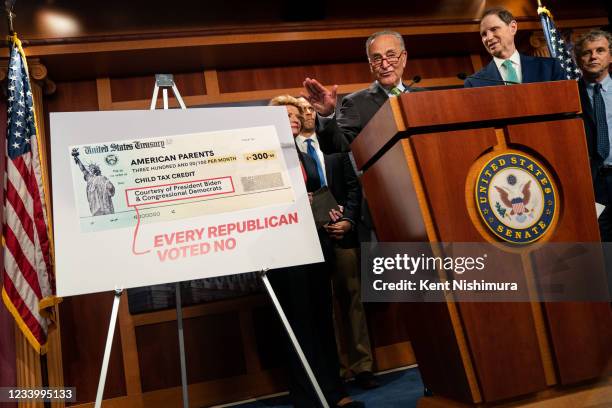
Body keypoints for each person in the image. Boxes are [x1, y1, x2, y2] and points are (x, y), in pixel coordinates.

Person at [267, 95, 365, 408]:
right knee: (299, 324)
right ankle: (308, 397)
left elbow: (318, 197)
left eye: (296, 115)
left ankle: (334, 392)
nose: (294, 118)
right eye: (286, 114)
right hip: (284, 251)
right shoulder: (260, 156)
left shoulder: (307, 158)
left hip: (316, 247)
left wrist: (328, 212)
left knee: (323, 320)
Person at [297, 97, 378, 390]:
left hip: (343, 234)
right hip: (312, 240)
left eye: (309, 108)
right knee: (323, 307)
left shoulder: (332, 146)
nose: (306, 113)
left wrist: (348, 221)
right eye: (300, 110)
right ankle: (338, 369)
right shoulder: (289, 154)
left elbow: (354, 187)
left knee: (353, 300)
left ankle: (362, 366)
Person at [303, 30, 425, 153]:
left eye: (391, 56)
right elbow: (337, 145)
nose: (385, 64)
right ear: (370, 64)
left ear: (403, 58)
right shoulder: (356, 102)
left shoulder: (424, 96)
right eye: (377, 58)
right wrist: (326, 115)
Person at [464, 7, 565, 87]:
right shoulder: (474, 83)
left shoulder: (549, 68)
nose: (489, 38)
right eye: (484, 34)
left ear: (513, 28)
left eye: (494, 29)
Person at [575, 29, 612, 240]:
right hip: (591, 183)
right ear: (579, 60)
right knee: (602, 240)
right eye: (587, 53)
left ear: (610, 56)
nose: (593, 56)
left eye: (600, 50)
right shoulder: (568, 95)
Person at [72, 148, 115, 216]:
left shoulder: (103, 178)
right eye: (90, 169)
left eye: (93, 168)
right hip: (95, 203)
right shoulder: (90, 177)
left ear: (96, 170)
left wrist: (109, 188)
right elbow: (83, 169)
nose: (91, 170)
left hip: (104, 202)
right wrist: (77, 158)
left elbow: (110, 186)